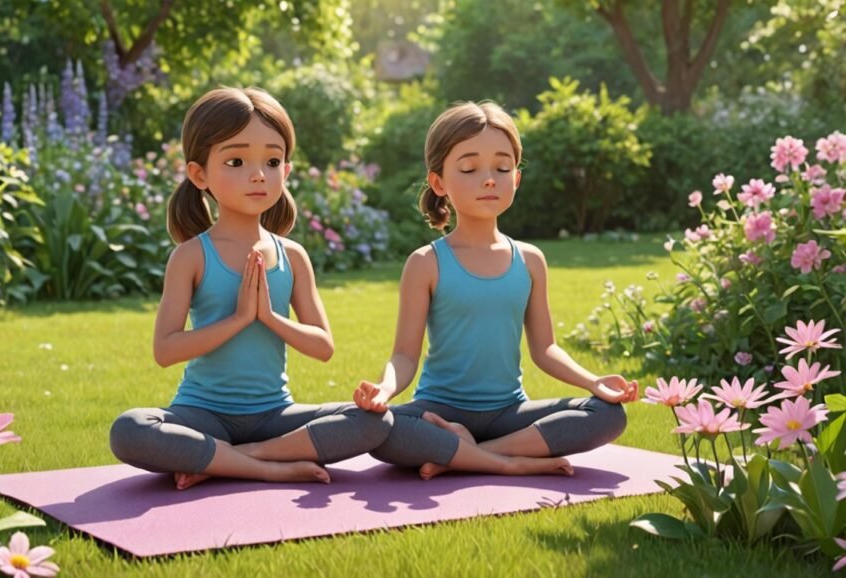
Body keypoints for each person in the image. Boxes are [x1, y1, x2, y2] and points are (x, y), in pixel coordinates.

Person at [111, 87, 392, 490]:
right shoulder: (191, 256)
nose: (258, 174)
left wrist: (270, 318)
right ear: (199, 174)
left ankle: (235, 459)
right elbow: (165, 350)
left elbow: (322, 346)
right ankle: (271, 467)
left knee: (376, 418)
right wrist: (241, 318)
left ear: (287, 171)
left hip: (273, 418)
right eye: (237, 161)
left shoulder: (293, 256)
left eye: (272, 161)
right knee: (130, 429)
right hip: (202, 416)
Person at [353, 101, 638, 479]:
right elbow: (405, 355)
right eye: (469, 168)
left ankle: (467, 454)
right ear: (439, 183)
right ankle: (510, 462)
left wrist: (593, 381)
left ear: (516, 178)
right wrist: (385, 390)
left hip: (510, 415)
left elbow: (546, 349)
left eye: (502, 168)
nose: (489, 179)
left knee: (606, 415)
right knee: (375, 428)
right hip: (438, 414)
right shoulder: (426, 262)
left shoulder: (530, 260)